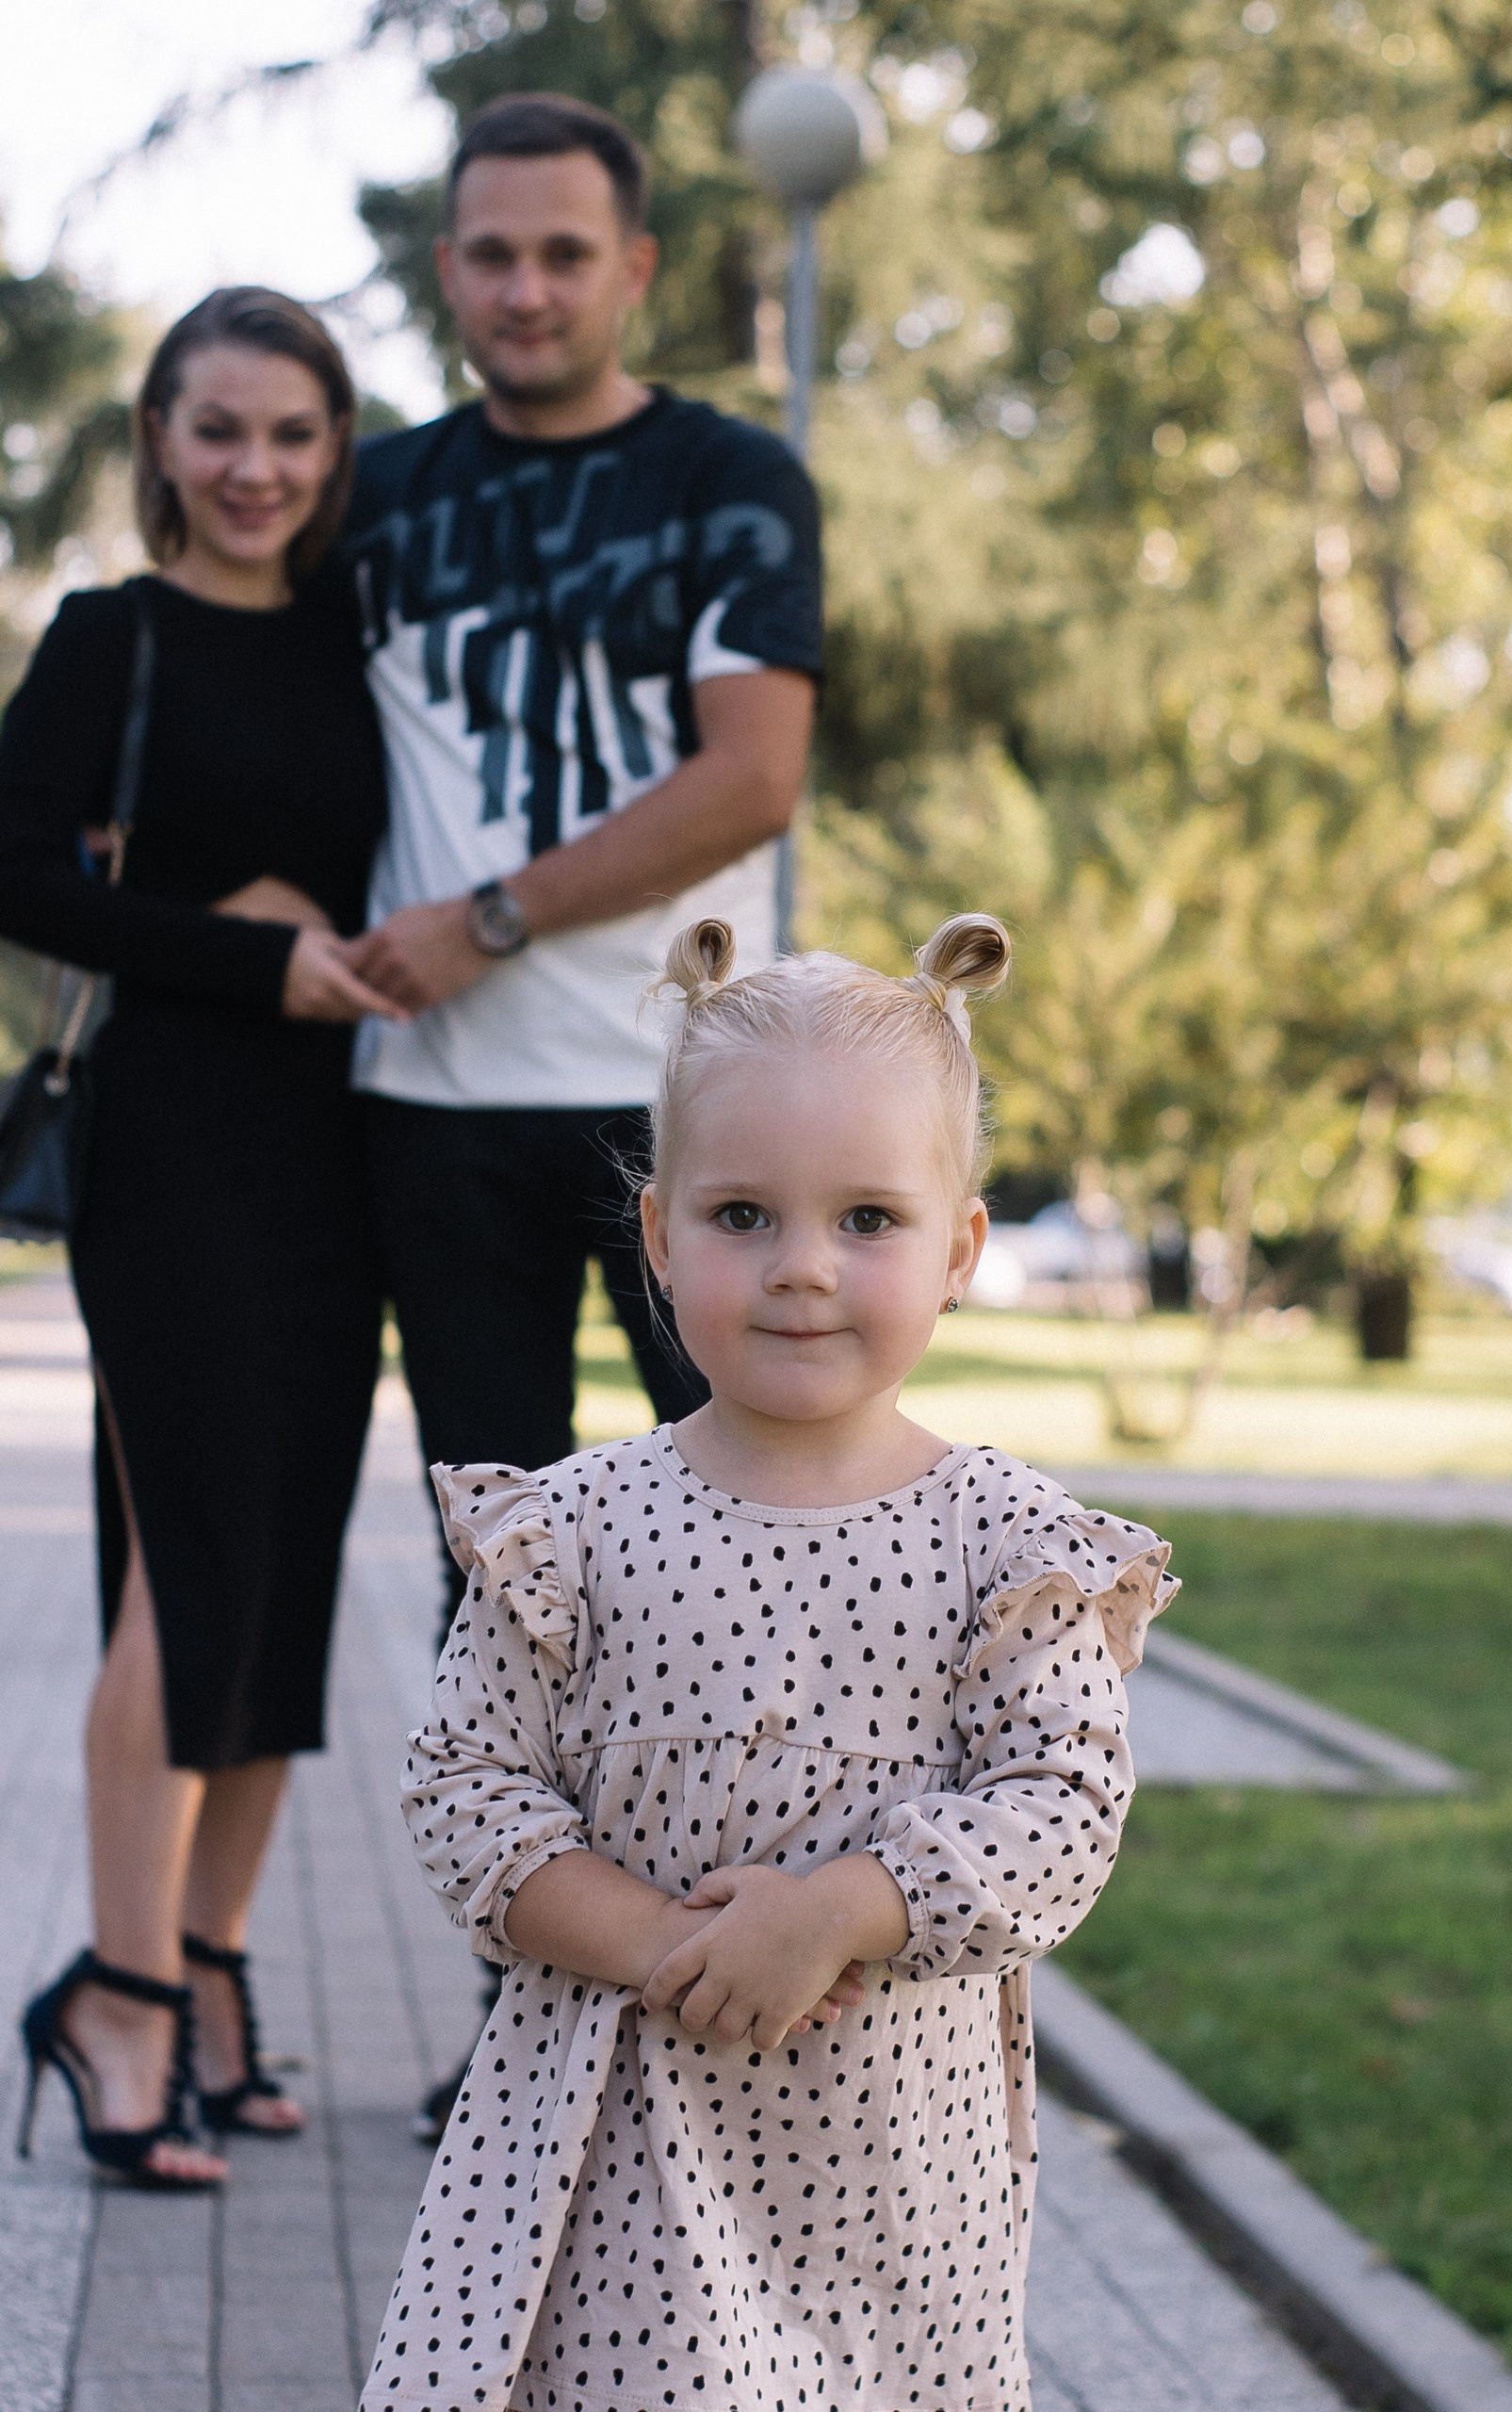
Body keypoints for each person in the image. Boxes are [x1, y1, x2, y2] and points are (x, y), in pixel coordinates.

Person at [361, 910, 1177, 2412]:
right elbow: (465, 1788)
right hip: (615, 2148)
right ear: (660, 1238)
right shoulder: (576, 1531)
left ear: (959, 1251)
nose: (802, 1268)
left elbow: (1065, 1806)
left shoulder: (1007, 1547)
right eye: (744, 1216)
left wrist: (839, 1912)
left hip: (891, 2193)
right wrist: (661, 1946)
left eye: (867, 1220)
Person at [335, 90, 821, 2138]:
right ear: (445, 269)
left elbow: (751, 776)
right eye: (490, 251)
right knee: (502, 1590)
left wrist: (493, 916)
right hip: (434, 1111)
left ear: (632, 267)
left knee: (762, 1553)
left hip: (681, 1105)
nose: (524, 288)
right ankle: (535, 2017)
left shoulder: (728, 479)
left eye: (562, 252)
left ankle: (766, 1983)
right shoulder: (375, 494)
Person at [3, 288, 398, 2189]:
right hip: (172, 1147)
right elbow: (10, 875)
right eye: (217, 428)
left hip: (344, 1148)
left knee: (284, 1578)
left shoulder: (360, 637)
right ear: (158, 434)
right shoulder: (114, 637)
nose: (254, 468)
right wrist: (244, 953)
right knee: (188, 1571)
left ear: (335, 449)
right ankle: (121, 1993)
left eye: (291, 433)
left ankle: (214, 1968)